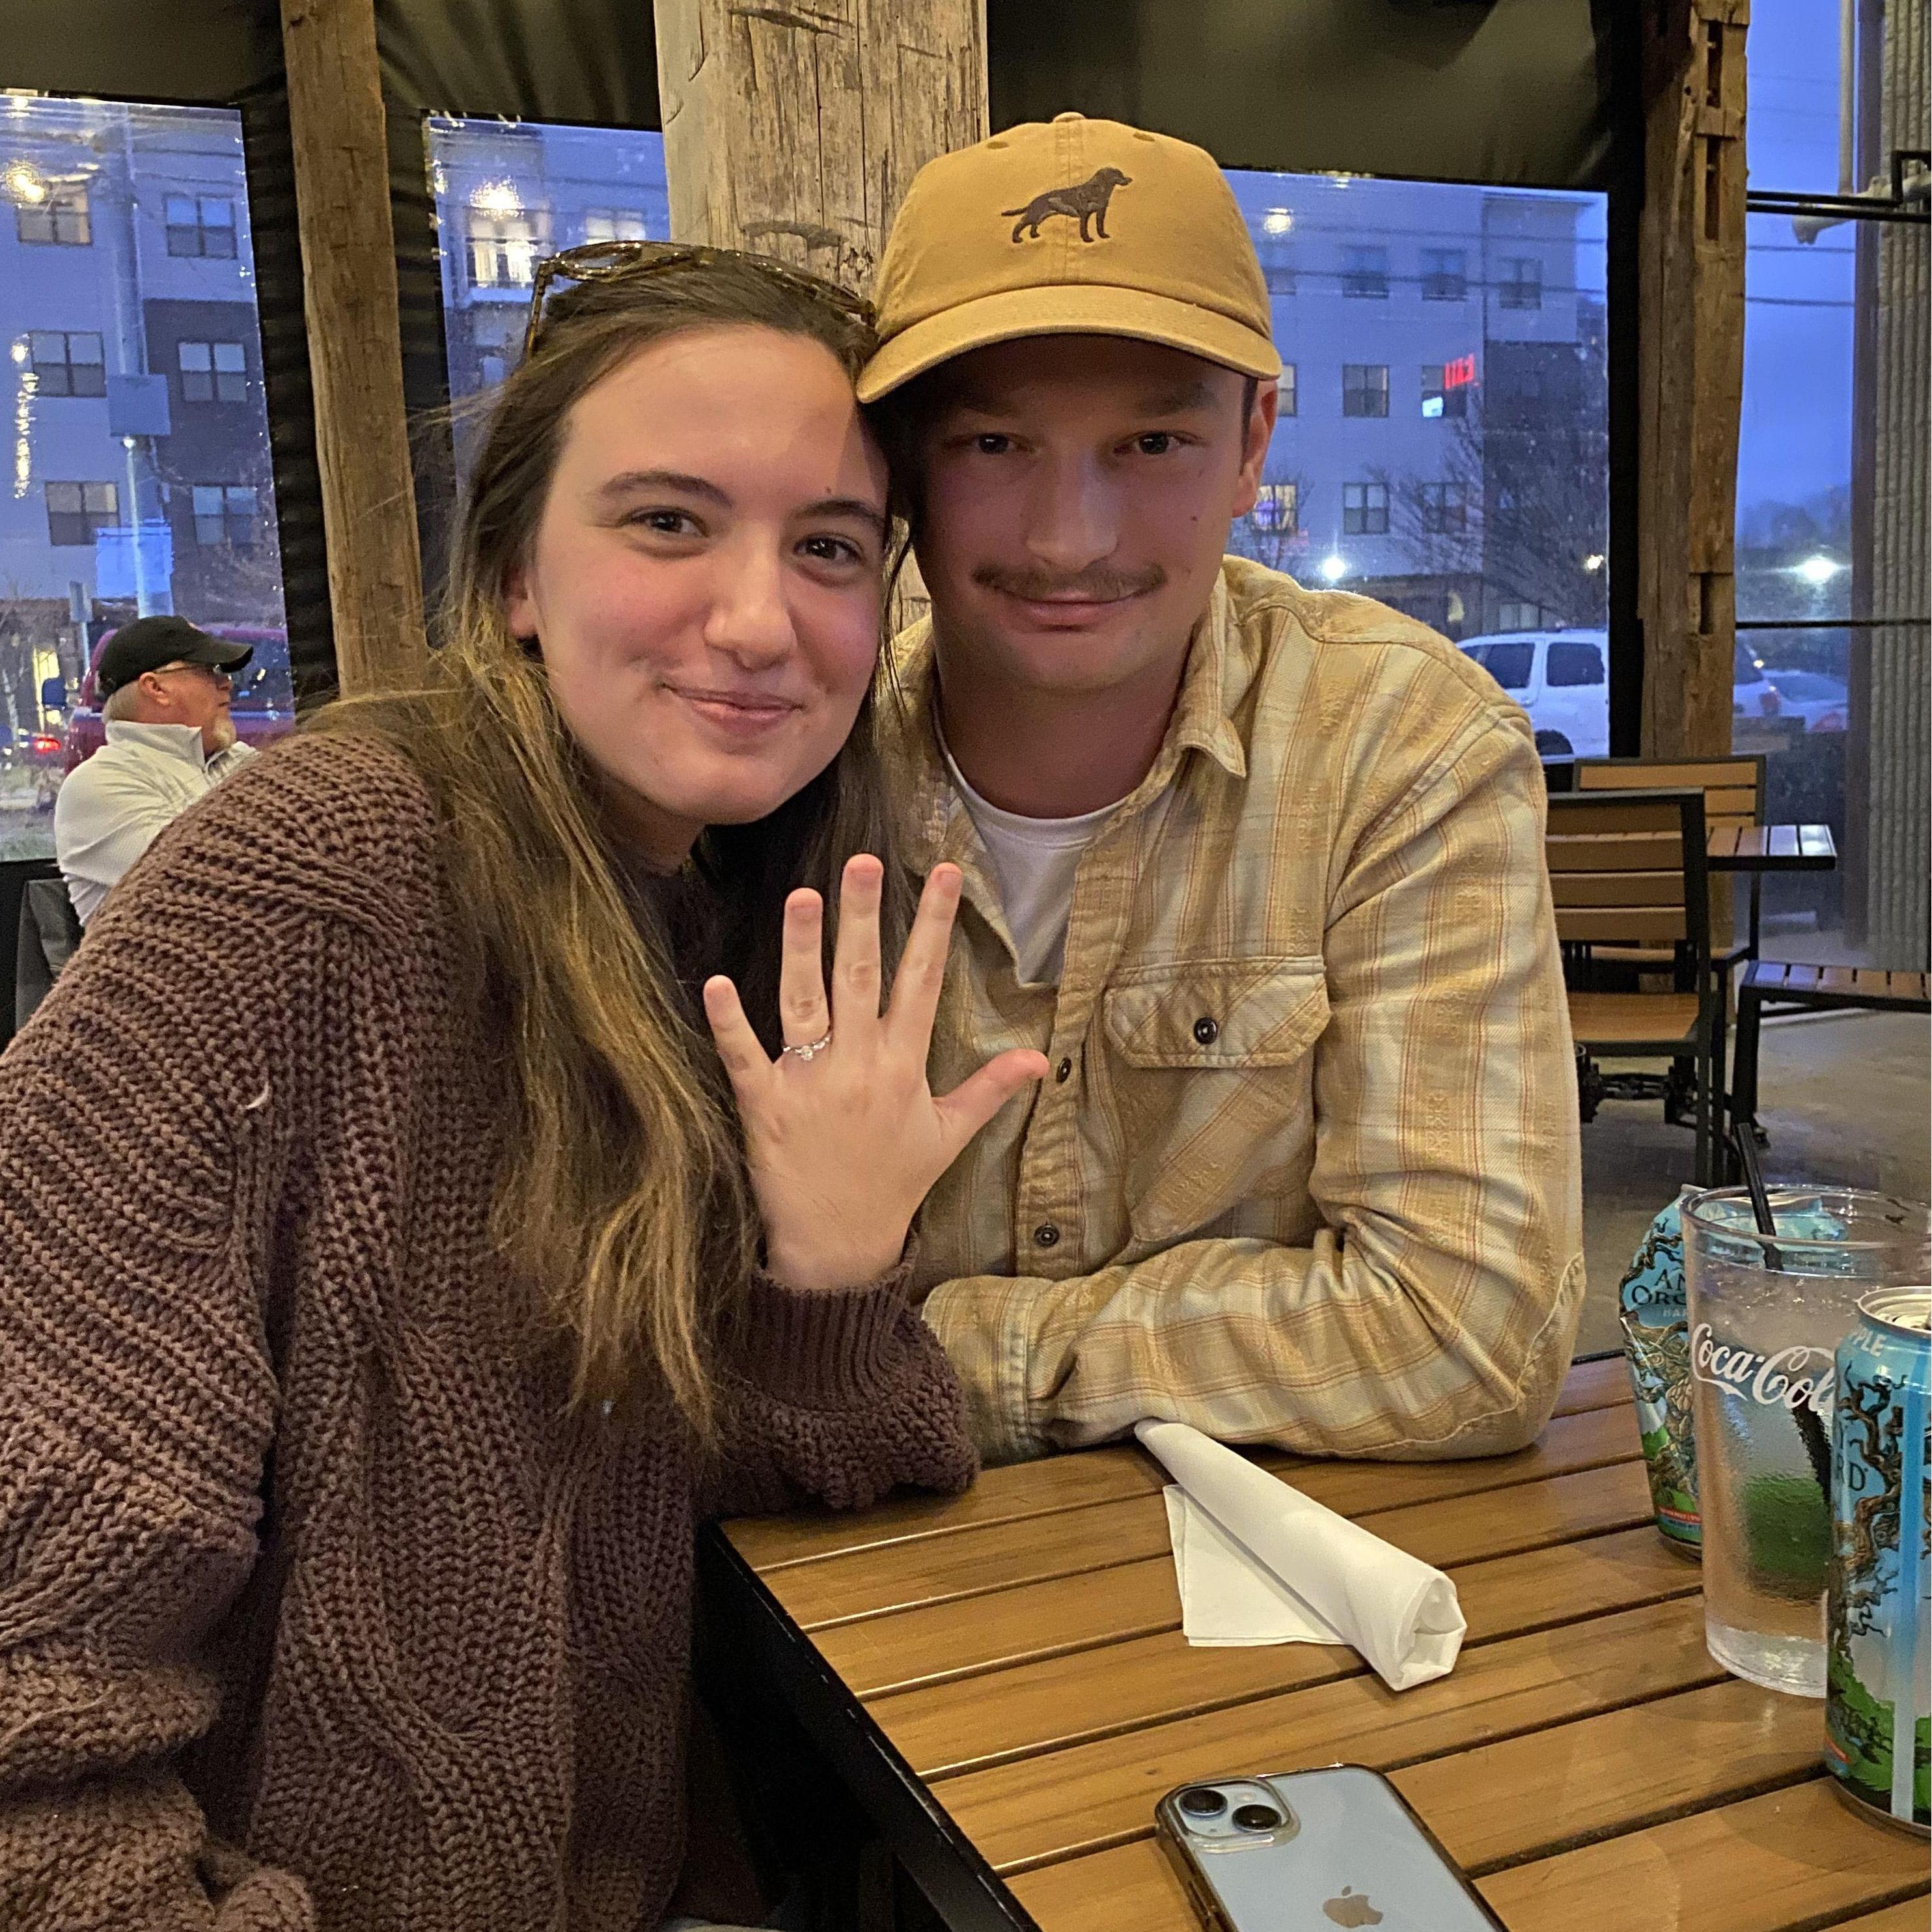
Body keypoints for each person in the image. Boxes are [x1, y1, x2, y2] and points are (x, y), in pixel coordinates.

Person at [0, 245, 1047, 1932]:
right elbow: (28, 1696)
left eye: (830, 547)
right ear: (513, 577)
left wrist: (830, 1275)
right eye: (668, 522)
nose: (760, 620)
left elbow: (773, 1479)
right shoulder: (319, 877)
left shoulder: (731, 911)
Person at [860, 115, 1586, 1465]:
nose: (1068, 539)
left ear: (1253, 438)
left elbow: (1466, 1334)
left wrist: (909, 1355)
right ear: (900, 461)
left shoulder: (1399, 743)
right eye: (991, 446)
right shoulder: (800, 767)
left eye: (1149, 444)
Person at [53, 613, 260, 924]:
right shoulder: (97, 785)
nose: (226, 683)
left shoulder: (238, 760)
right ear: (156, 687)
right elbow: (214, 881)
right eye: (209, 670)